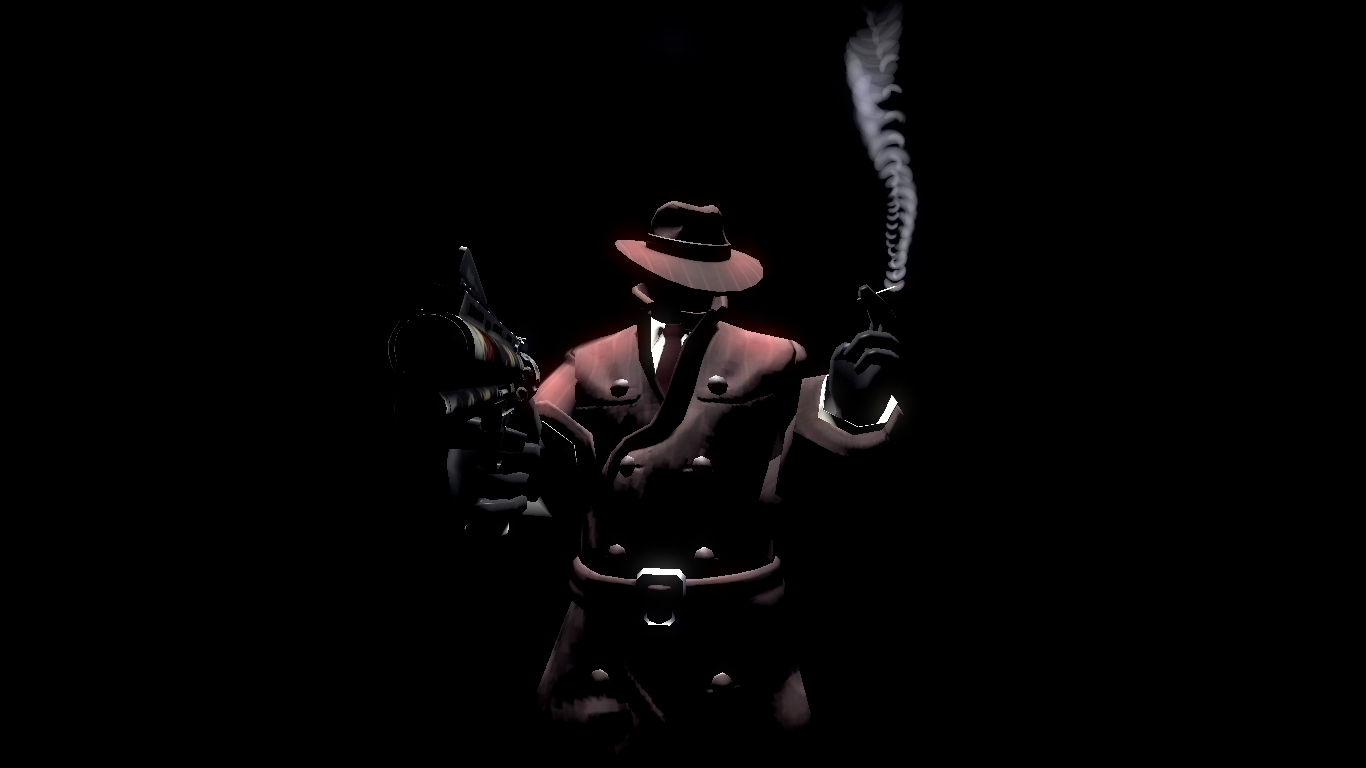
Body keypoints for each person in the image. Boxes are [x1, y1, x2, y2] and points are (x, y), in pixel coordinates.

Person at [459, 201, 912, 760]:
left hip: (731, 636)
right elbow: (529, 459)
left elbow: (815, 475)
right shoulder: (589, 362)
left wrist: (853, 403)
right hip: (607, 635)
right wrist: (482, 457)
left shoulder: (773, 359)